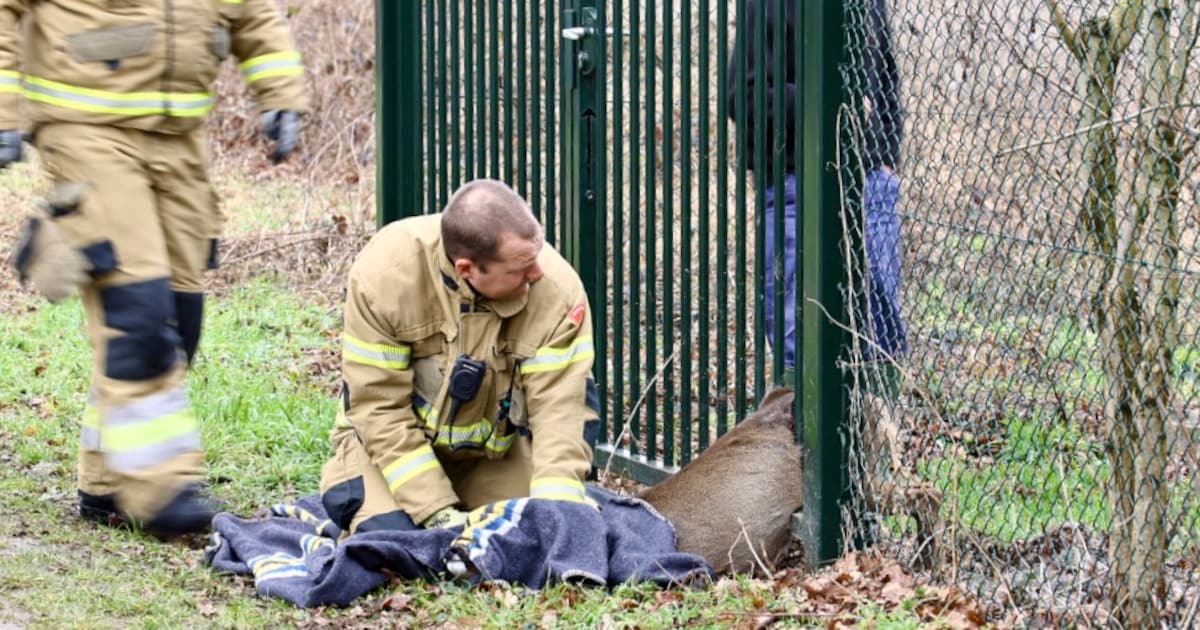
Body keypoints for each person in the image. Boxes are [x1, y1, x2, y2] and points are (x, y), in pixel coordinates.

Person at [1, 0, 309, 537]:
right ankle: (158, 488)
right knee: (137, 313)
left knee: (180, 319)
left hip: (179, 140)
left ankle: (107, 482)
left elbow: (253, 13)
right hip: (86, 129)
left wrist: (281, 94)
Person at [319, 179, 600, 535]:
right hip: (388, 456)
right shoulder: (385, 279)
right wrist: (437, 512)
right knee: (395, 540)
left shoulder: (558, 293)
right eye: (521, 268)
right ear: (467, 269)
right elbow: (379, 408)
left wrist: (556, 520)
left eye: (536, 254)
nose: (538, 272)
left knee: (530, 532)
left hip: (492, 460)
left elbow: (562, 411)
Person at [727, 0, 907, 368]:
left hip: (869, 175)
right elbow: (744, 97)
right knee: (794, 318)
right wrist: (828, 101)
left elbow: (887, 84)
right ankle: (800, 402)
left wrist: (886, 156)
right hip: (795, 174)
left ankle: (875, 401)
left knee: (881, 313)